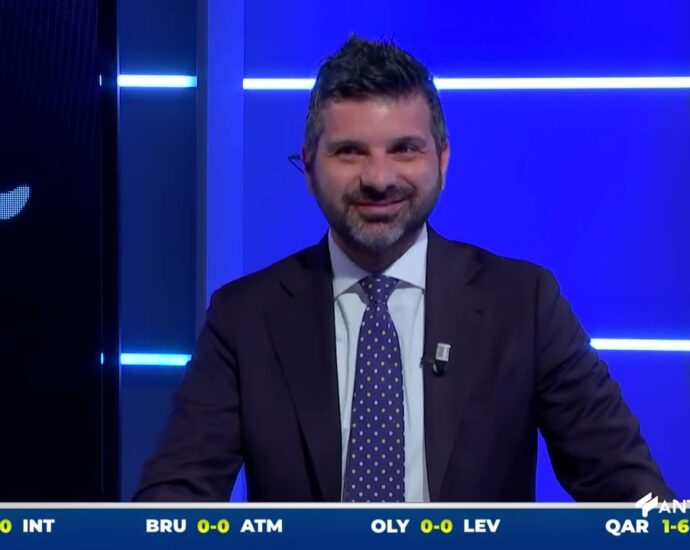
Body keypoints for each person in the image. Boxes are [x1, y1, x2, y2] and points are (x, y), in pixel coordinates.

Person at [134, 36, 674, 502]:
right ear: (309, 165)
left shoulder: (524, 303)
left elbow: (630, 492)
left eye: (405, 150)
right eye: (350, 152)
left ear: (442, 160)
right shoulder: (246, 316)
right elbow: (172, 500)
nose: (379, 178)